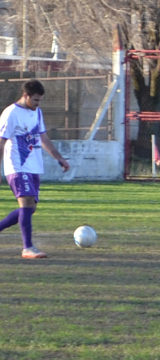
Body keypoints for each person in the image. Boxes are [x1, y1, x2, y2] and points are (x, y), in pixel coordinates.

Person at [0, 80, 70, 259]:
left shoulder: (37, 112)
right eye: (36, 100)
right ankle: (27, 248)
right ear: (26, 96)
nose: (38, 104)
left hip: (33, 166)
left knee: (30, 209)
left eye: (40, 101)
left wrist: (59, 158)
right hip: (17, 166)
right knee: (25, 204)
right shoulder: (10, 114)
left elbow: (43, 138)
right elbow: (1, 142)